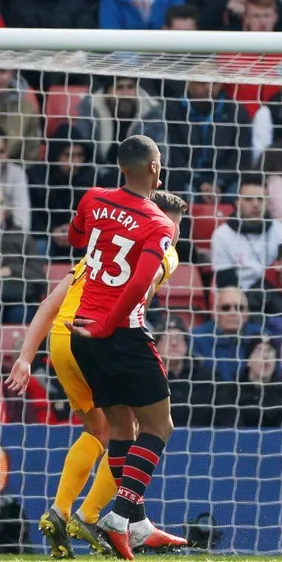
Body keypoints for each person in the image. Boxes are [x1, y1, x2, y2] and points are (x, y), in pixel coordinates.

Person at [4, 190, 190, 557]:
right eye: (179, 225)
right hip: (108, 334)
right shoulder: (164, 245)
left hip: (63, 338)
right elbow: (143, 290)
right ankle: (96, 515)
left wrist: (26, 357)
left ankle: (61, 511)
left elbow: (49, 303)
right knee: (141, 428)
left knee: (100, 430)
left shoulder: (100, 249)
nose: (178, 232)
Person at [63, 135, 180, 561]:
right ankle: (119, 517)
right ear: (154, 167)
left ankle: (137, 525)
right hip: (119, 335)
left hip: (81, 335)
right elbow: (138, 284)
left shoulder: (93, 197)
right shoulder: (158, 223)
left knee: (121, 430)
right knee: (158, 427)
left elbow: (75, 238)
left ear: (119, 167)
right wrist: (109, 325)